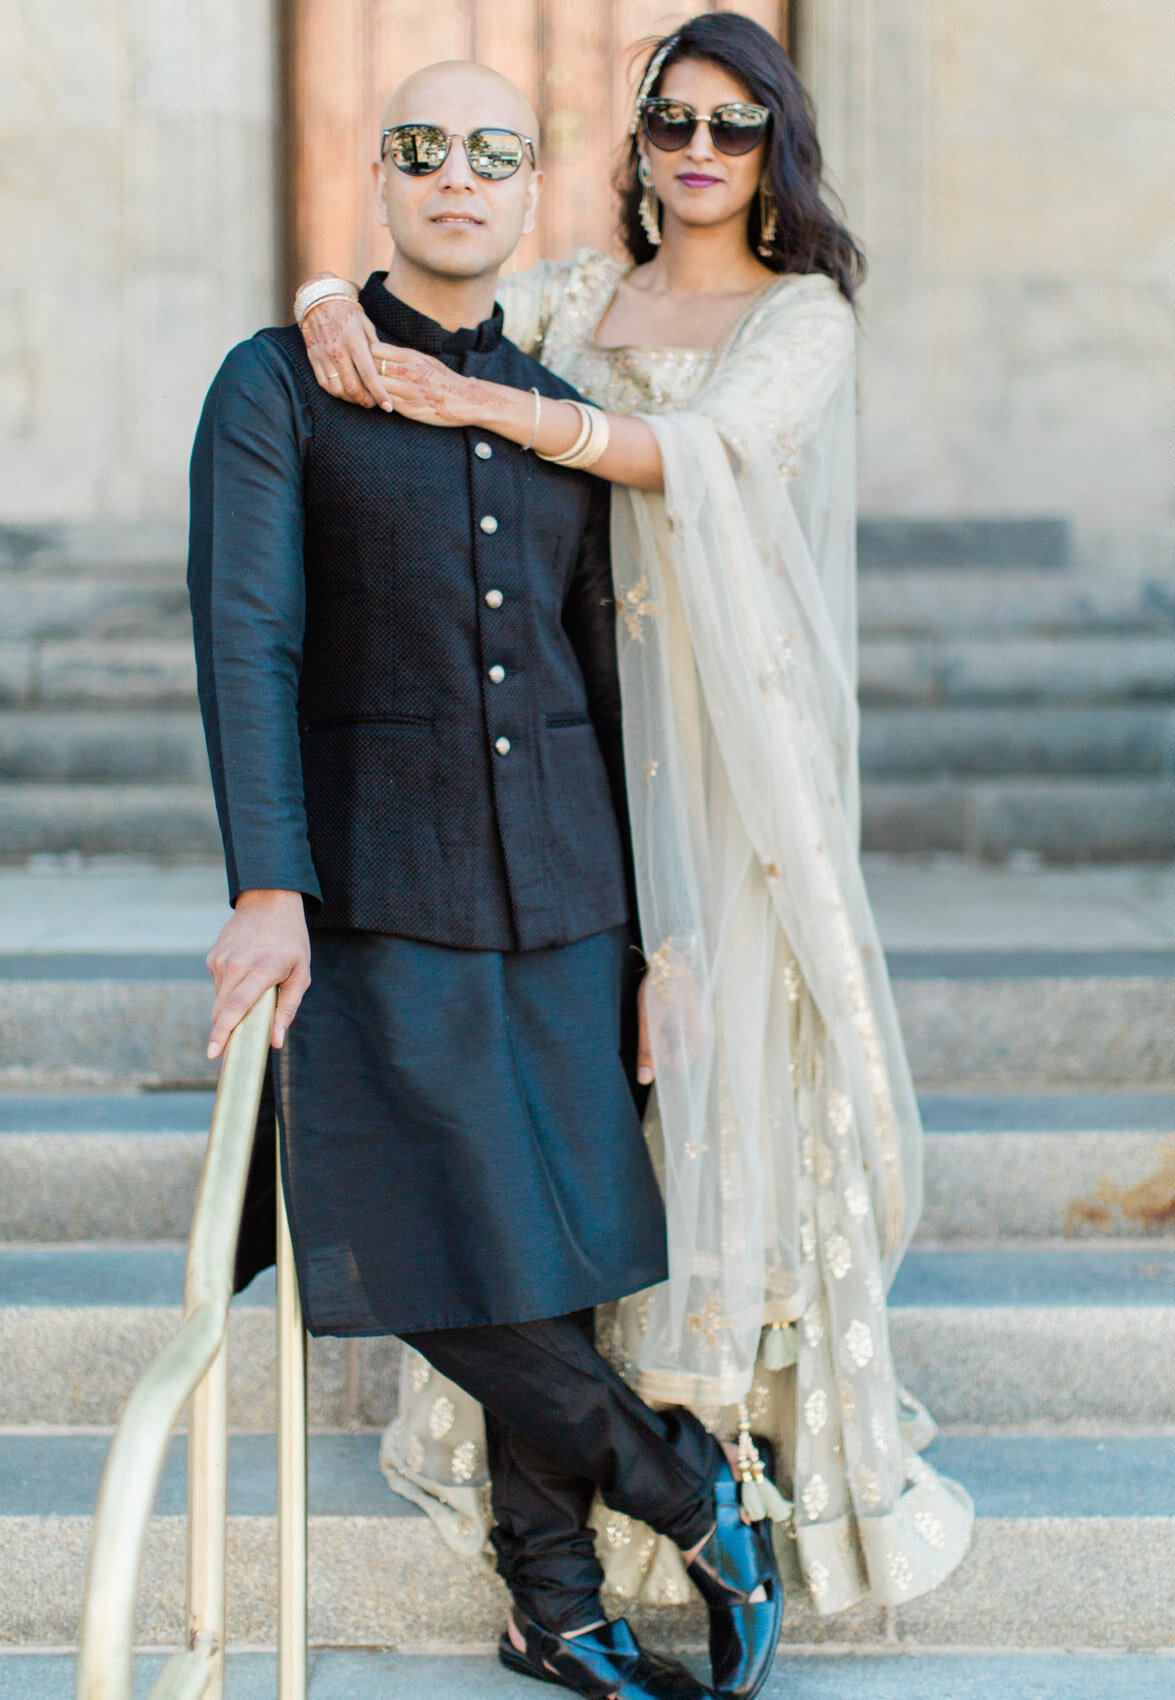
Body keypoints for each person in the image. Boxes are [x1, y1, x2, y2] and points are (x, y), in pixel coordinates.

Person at [299, 10, 975, 1625]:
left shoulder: (801, 312)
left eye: (734, 128)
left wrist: (517, 420)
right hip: (566, 721)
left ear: (775, 150)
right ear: (640, 137)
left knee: (721, 1046)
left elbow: (715, 450)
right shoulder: (574, 295)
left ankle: (725, 1427)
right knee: (574, 1076)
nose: (697, 151)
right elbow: (440, 308)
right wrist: (327, 295)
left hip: (729, 730)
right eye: (673, 119)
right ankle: (590, 1473)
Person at [189, 56, 788, 1700]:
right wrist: (266, 883)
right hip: (375, 884)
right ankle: (683, 1485)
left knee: (567, 1246)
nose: (457, 179)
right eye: (422, 150)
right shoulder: (276, 384)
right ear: (379, 179)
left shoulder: (559, 400)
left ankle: (553, 1605)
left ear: (529, 194)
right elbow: (249, 640)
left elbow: (615, 668)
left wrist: (663, 934)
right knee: (411, 1227)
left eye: (494, 155)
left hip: (571, 887)